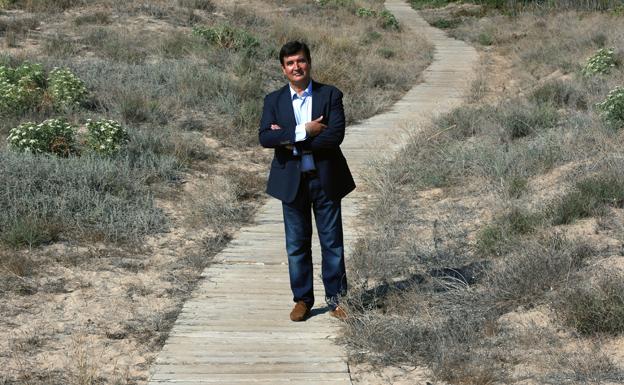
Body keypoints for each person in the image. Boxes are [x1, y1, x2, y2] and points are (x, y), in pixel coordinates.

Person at [258, 41, 355, 322]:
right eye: (290, 63)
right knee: (296, 245)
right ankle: (302, 300)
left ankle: (337, 300)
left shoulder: (330, 95)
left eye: (300, 61)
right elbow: (266, 137)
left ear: (309, 62)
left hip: (325, 179)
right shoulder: (273, 101)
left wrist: (289, 139)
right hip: (292, 182)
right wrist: (306, 130)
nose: (296, 67)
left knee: (332, 243)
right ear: (283, 69)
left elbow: (335, 135)